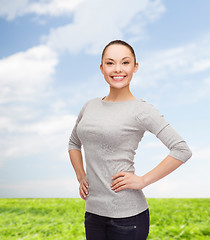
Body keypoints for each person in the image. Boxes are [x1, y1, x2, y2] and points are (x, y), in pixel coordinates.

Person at [68, 40, 192, 240]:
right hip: (93, 213)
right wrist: (81, 176)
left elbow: (181, 149)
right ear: (101, 68)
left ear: (135, 67)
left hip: (128, 218)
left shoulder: (141, 110)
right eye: (110, 63)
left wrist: (143, 180)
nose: (117, 69)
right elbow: (74, 143)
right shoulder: (89, 106)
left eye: (125, 62)